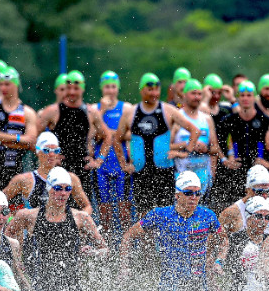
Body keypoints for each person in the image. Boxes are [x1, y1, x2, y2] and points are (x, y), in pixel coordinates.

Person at [6, 167, 107, 291]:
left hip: (71, 287)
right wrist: (18, 259)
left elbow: (104, 249)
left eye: (67, 189)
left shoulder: (81, 218)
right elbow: (8, 237)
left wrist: (92, 252)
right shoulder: (29, 216)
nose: (63, 193)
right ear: (49, 188)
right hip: (41, 287)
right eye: (58, 188)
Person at [120, 171, 223, 291]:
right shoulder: (160, 215)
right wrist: (124, 266)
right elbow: (128, 236)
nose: (193, 197)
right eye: (188, 193)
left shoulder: (207, 216)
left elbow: (223, 240)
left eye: (197, 193)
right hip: (171, 283)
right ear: (177, 194)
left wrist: (218, 260)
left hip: (198, 283)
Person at [115, 72, 201, 220]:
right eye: (150, 89)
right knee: (144, 217)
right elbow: (117, 139)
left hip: (164, 172)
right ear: (142, 90)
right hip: (140, 174)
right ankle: (144, 244)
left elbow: (195, 130)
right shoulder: (131, 112)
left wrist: (185, 152)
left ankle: (164, 243)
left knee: (166, 215)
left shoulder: (168, 110)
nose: (154, 93)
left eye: (156, 89)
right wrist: (124, 164)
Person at [38, 71, 110, 203]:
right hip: (58, 168)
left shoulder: (90, 112)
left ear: (82, 88)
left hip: (83, 169)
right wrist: (48, 156)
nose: (72, 92)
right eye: (69, 88)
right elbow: (35, 137)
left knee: (82, 211)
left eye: (76, 88)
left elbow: (107, 137)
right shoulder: (53, 111)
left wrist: (98, 161)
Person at [214, 81, 269, 210]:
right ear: (238, 98)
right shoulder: (229, 120)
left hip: (259, 173)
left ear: (254, 97)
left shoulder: (266, 121)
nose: (245, 98)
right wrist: (225, 160)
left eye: (249, 95)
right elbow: (215, 144)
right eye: (242, 95)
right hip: (235, 173)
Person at [2, 132, 92, 215]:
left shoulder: (70, 179)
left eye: (55, 151)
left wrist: (76, 221)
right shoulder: (24, 180)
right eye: (47, 150)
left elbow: (87, 207)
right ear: (38, 151)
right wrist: (11, 219)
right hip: (32, 231)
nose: (52, 154)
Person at [0, 66, 38, 190]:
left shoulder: (27, 112)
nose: (3, 88)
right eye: (1, 85)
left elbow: (31, 141)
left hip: (15, 169)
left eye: (7, 84)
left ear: (16, 85)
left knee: (15, 208)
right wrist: (17, 139)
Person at [92, 71, 132, 242]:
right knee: (104, 206)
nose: (110, 90)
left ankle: (126, 240)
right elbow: (93, 134)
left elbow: (131, 134)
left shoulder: (127, 108)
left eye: (113, 86)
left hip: (120, 161)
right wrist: (101, 111)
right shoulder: (95, 109)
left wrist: (113, 134)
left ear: (118, 88)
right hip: (102, 163)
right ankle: (106, 241)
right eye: (107, 87)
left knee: (124, 206)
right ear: (102, 88)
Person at [170, 79, 221, 194]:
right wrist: (187, 145)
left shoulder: (207, 119)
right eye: (193, 93)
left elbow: (215, 148)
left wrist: (205, 149)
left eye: (199, 94)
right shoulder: (178, 118)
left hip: (202, 178)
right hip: (181, 178)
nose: (197, 97)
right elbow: (167, 147)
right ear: (184, 94)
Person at [220, 196, 269, 291]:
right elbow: (218, 263)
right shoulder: (234, 240)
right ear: (248, 216)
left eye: (267, 217)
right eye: (259, 216)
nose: (263, 221)